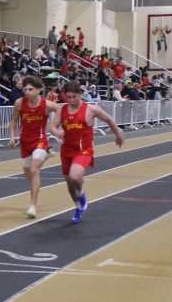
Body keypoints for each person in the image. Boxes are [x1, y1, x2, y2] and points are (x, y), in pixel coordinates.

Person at [51, 81, 124, 223]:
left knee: (74, 176)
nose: (71, 100)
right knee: (69, 182)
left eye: (74, 97)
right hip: (67, 150)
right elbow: (53, 126)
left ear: (80, 95)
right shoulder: (61, 109)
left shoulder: (91, 109)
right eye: (68, 97)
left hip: (84, 150)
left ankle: (81, 194)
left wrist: (118, 135)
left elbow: (109, 119)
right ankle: (78, 206)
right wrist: (58, 133)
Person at [9, 75, 55, 219]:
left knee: (34, 170)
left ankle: (33, 206)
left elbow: (62, 111)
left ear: (38, 90)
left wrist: (57, 128)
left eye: (30, 89)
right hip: (25, 142)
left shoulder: (47, 105)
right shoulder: (19, 103)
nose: (27, 92)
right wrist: (12, 136)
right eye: (25, 89)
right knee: (30, 175)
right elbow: (14, 120)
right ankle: (47, 154)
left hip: (39, 141)